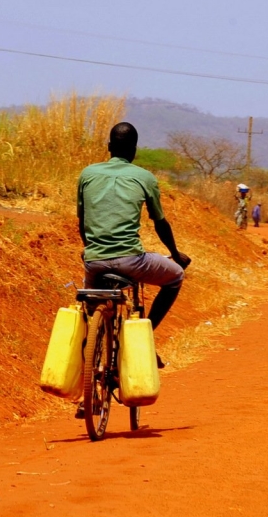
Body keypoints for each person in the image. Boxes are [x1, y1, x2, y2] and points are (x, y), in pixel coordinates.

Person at [77, 122, 191, 371]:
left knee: (90, 312)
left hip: (94, 261)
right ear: (135, 150)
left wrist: (92, 248)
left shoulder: (87, 174)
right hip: (132, 261)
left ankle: (85, 376)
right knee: (176, 277)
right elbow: (160, 223)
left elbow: (82, 221)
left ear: (109, 147)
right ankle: (143, 338)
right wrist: (175, 254)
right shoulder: (145, 178)